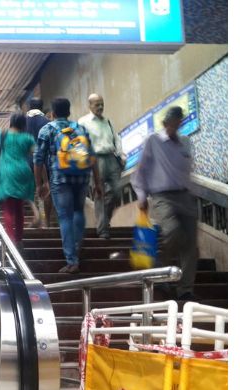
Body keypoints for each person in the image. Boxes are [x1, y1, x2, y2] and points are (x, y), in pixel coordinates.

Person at [131, 106, 198, 300]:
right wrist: (142, 196)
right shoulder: (153, 141)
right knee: (173, 231)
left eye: (179, 123)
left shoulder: (185, 142)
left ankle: (185, 290)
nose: (175, 127)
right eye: (172, 123)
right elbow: (140, 172)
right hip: (162, 197)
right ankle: (159, 268)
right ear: (165, 123)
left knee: (191, 247)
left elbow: (188, 171)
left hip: (186, 196)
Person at [34, 97, 103, 274]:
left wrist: (39, 184)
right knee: (78, 211)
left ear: (52, 114)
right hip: (82, 177)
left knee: (65, 217)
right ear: (69, 111)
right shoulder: (80, 128)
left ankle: (72, 261)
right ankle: (77, 246)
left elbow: (38, 159)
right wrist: (98, 181)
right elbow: (92, 156)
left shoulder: (47, 129)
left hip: (60, 178)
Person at [78, 93, 126, 239]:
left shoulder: (107, 121)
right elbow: (80, 143)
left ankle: (104, 221)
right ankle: (103, 230)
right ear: (90, 105)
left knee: (117, 192)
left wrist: (121, 154)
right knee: (100, 194)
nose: (100, 107)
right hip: (95, 160)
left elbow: (116, 138)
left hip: (111, 158)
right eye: (97, 104)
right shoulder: (83, 122)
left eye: (102, 104)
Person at [0, 113, 36, 245]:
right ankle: (19, 239)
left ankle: (10, 241)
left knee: (8, 208)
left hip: (6, 171)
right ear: (24, 124)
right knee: (19, 208)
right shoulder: (28, 137)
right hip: (23, 171)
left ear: (11, 122)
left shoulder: (2, 135)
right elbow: (34, 154)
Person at [27, 97, 52, 227]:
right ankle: (47, 221)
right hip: (44, 160)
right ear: (42, 107)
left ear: (29, 106)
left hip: (26, 161)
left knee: (30, 190)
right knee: (46, 189)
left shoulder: (22, 122)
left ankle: (36, 216)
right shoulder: (46, 122)